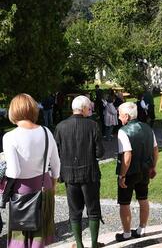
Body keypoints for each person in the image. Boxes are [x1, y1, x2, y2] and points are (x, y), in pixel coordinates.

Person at [3, 93, 60, 247]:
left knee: (20, 237)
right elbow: (56, 164)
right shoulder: (46, 132)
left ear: (13, 111)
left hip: (22, 192)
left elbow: (14, 172)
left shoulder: (10, 137)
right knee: (39, 238)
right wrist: (53, 185)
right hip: (44, 187)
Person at [54, 95, 105, 248]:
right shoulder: (93, 125)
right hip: (89, 174)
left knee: (74, 211)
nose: (90, 110)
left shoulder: (60, 126)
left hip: (69, 175)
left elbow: (56, 152)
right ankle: (94, 244)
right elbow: (100, 152)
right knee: (93, 209)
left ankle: (79, 244)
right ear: (83, 108)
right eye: (89, 107)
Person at [115, 102, 159, 242]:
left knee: (124, 202)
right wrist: (153, 166)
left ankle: (127, 233)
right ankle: (142, 229)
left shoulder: (123, 131)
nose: (119, 117)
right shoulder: (148, 128)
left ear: (126, 116)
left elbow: (127, 155)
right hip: (145, 169)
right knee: (143, 198)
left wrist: (122, 175)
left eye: (120, 115)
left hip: (130, 172)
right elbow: (155, 150)